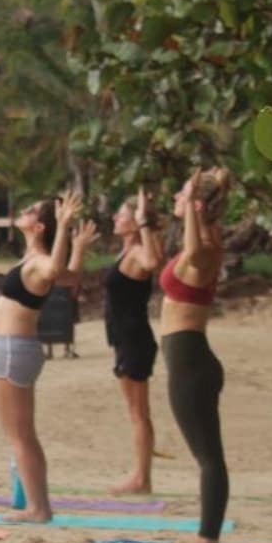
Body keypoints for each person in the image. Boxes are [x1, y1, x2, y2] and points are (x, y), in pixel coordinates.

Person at [0, 188, 91, 522]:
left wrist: (64, 226)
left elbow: (55, 270)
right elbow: (71, 276)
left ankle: (38, 507)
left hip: (13, 350)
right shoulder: (34, 260)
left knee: (20, 436)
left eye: (31, 211)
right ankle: (34, 503)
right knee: (22, 434)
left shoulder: (39, 263)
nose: (24, 211)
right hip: (16, 349)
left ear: (39, 227)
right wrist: (78, 247)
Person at [158, 169, 231, 543]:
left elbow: (194, 252)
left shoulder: (202, 252)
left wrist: (192, 210)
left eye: (181, 194)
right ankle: (207, 534)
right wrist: (193, 207)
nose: (175, 198)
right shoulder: (203, 243)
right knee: (206, 454)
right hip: (188, 359)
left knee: (208, 457)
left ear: (196, 206)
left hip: (190, 362)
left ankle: (208, 537)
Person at [104, 189, 165, 495]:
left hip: (134, 339)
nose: (116, 217)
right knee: (136, 411)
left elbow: (153, 261)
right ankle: (142, 476)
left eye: (122, 214)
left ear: (134, 222)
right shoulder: (127, 252)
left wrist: (143, 221)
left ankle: (142, 479)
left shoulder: (139, 251)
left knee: (138, 412)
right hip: (125, 339)